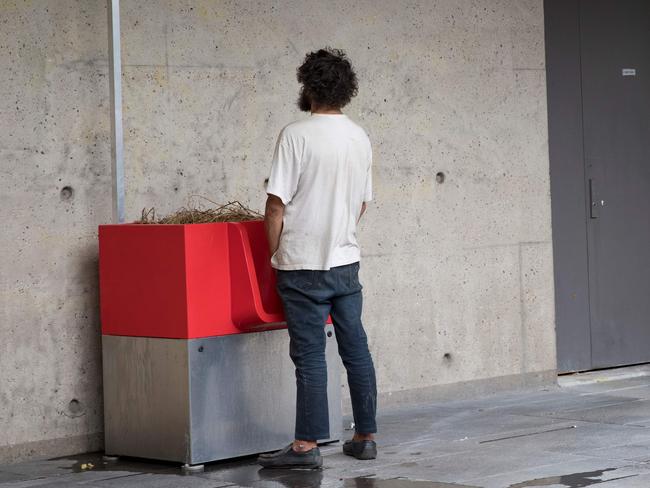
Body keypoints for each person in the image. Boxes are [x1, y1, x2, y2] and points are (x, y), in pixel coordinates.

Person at [258, 48, 377, 469]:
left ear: (308, 87)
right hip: (346, 263)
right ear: (347, 90)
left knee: (309, 354)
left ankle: (306, 447)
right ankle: (365, 437)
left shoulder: (296, 134)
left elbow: (276, 205)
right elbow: (362, 203)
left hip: (302, 265)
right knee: (355, 348)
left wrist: (272, 251)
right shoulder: (359, 136)